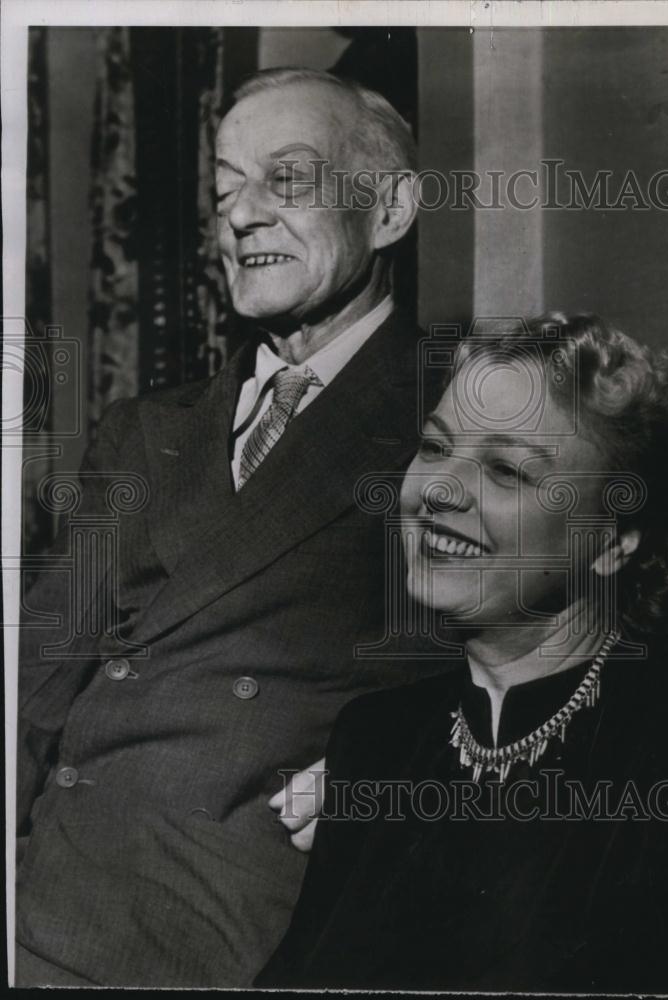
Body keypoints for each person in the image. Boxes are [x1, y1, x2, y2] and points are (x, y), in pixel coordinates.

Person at [15, 67, 441, 988]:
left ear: (394, 209)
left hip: (210, 910)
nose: (240, 215)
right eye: (223, 189)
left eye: (285, 179)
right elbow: (34, 687)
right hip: (41, 874)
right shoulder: (144, 431)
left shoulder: (463, 417)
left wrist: (399, 776)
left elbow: (635, 646)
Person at [256, 313, 668, 994]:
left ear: (615, 539)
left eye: (507, 470)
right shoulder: (377, 740)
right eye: (434, 446)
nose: (438, 490)